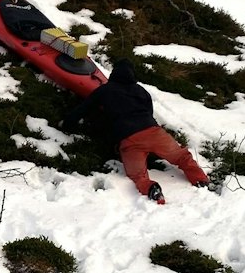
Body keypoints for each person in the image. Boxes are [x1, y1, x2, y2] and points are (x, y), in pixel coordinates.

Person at [59, 59, 210, 202]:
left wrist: (66, 124)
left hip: (130, 139)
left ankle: (152, 189)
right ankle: (200, 179)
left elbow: (84, 109)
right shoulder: (142, 91)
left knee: (138, 175)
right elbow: (149, 112)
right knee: (181, 156)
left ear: (114, 74)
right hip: (155, 133)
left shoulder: (105, 90)